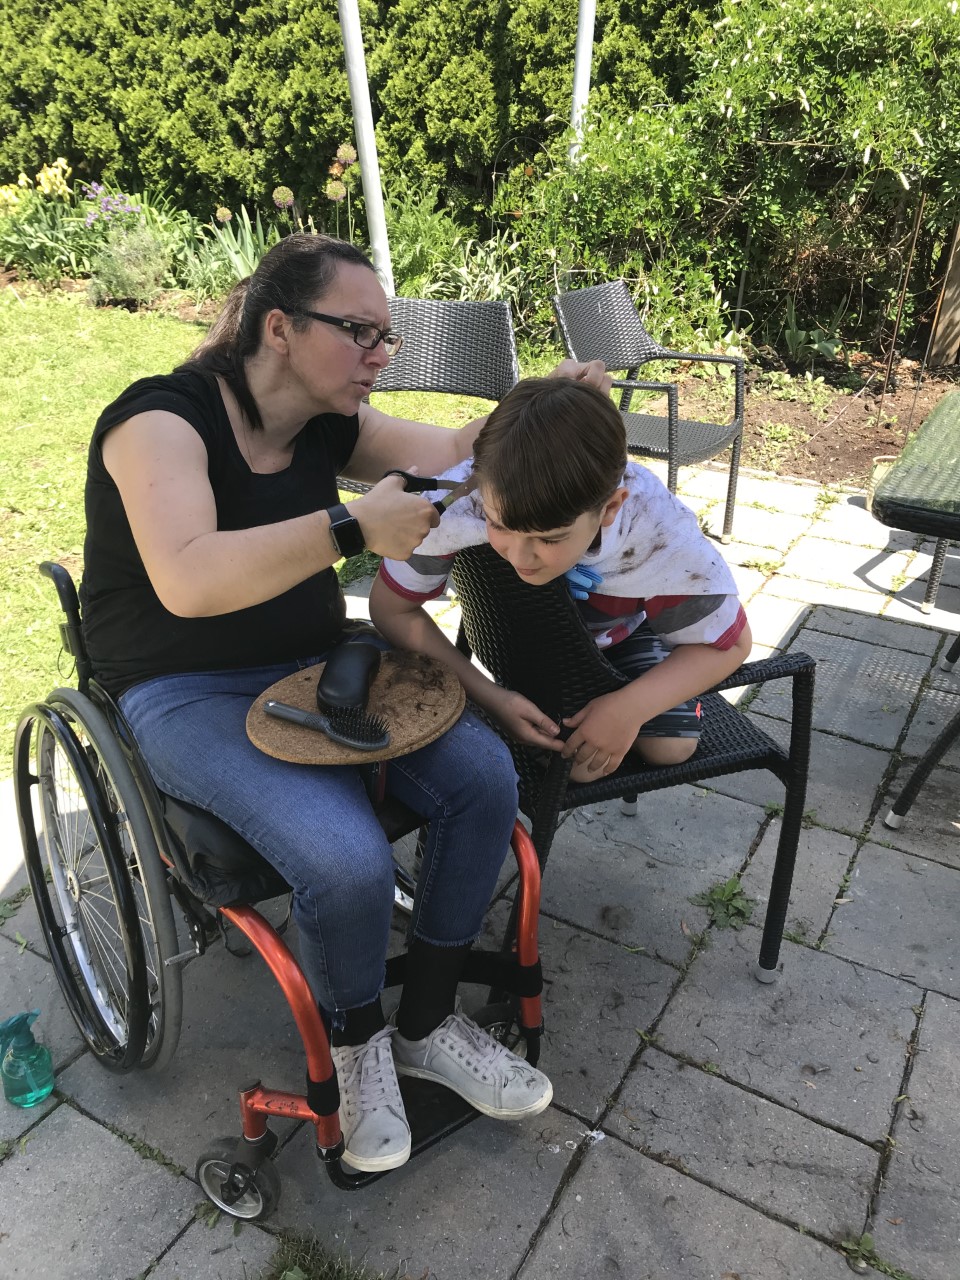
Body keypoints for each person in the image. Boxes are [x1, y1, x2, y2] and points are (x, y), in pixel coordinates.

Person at [80, 234, 607, 1173]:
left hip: (315, 661)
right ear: (278, 328)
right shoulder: (158, 422)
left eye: (386, 335)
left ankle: (427, 1021)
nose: (383, 354)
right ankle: (358, 1047)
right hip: (181, 686)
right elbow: (189, 581)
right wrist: (350, 525)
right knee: (344, 859)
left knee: (486, 778)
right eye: (361, 332)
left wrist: (548, 405)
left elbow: (456, 451)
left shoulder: (329, 419)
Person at [369, 377, 753, 783]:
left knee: (669, 747)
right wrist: (491, 697)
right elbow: (391, 608)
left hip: (623, 637)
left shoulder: (657, 539)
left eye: (549, 538)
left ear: (611, 508)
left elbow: (731, 644)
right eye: (498, 525)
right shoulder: (457, 506)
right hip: (523, 643)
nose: (520, 556)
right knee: (577, 768)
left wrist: (629, 707)